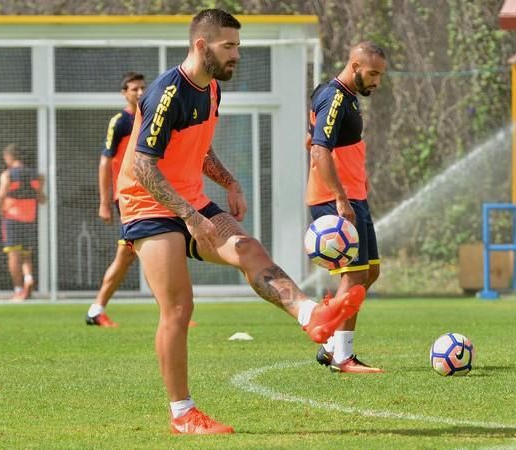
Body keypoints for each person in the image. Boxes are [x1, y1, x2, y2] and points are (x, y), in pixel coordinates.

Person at [116, 8, 366, 435]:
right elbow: (142, 167)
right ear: (201, 45)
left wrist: (229, 182)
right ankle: (183, 414)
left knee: (249, 249)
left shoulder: (212, 89)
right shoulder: (165, 94)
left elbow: (199, 148)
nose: (236, 55)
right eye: (228, 46)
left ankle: (311, 315)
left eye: (238, 46)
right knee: (178, 307)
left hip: (189, 199)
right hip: (147, 205)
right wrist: (191, 216)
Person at [305, 41, 387, 373]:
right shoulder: (336, 97)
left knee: (369, 272)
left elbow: (313, 140)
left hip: (354, 198)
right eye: (372, 73)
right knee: (354, 275)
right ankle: (343, 356)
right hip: (337, 200)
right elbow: (319, 151)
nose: (377, 81)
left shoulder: (344, 97)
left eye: (380, 74)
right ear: (354, 66)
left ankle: (330, 345)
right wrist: (339, 197)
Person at [85, 72, 145, 327]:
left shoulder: (150, 118)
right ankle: (96, 310)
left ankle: (175, 311)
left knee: (146, 252)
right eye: (134, 89)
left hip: (147, 197)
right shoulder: (120, 121)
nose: (140, 93)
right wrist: (104, 201)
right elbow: (105, 161)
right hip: (128, 198)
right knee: (128, 254)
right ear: (124, 93)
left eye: (143, 88)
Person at [0, 144, 46, 302]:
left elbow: (1, 194)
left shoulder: (8, 174)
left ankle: (18, 290)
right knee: (26, 254)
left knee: (13, 254)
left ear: (10, 157)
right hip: (29, 217)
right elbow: (41, 197)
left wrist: (0, 209)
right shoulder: (36, 175)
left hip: (12, 217)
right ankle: (28, 279)